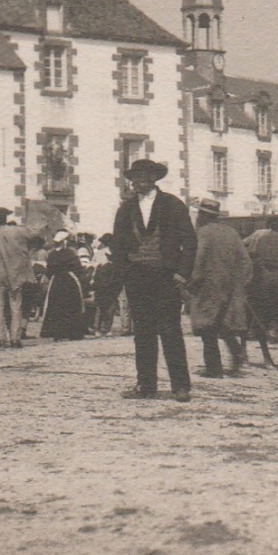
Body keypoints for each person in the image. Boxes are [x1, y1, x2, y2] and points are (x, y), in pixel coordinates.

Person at [112, 157, 198, 401]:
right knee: (143, 333)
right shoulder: (126, 209)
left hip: (166, 277)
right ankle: (146, 386)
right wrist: (124, 274)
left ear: (152, 178)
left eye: (140, 177)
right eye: (133, 178)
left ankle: (181, 387)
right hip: (137, 277)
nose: (136, 183)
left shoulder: (172, 205)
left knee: (171, 331)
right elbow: (118, 246)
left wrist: (182, 273)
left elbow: (190, 242)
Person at [186, 199, 253, 378]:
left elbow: (198, 260)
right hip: (231, 289)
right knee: (225, 326)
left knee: (207, 329)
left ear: (203, 216)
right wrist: (240, 284)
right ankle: (237, 355)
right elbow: (246, 262)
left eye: (199, 214)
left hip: (209, 288)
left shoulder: (203, 233)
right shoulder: (231, 232)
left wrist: (191, 282)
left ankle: (214, 369)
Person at [0, 206, 42, 348]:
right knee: (15, 305)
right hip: (15, 273)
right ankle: (15, 338)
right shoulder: (17, 231)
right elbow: (35, 233)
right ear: (5, 218)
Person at [40, 229, 88, 341]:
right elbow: (78, 268)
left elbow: (49, 270)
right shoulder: (71, 253)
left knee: (56, 305)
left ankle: (57, 332)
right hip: (70, 281)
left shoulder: (52, 254)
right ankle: (73, 332)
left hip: (56, 281)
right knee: (72, 304)